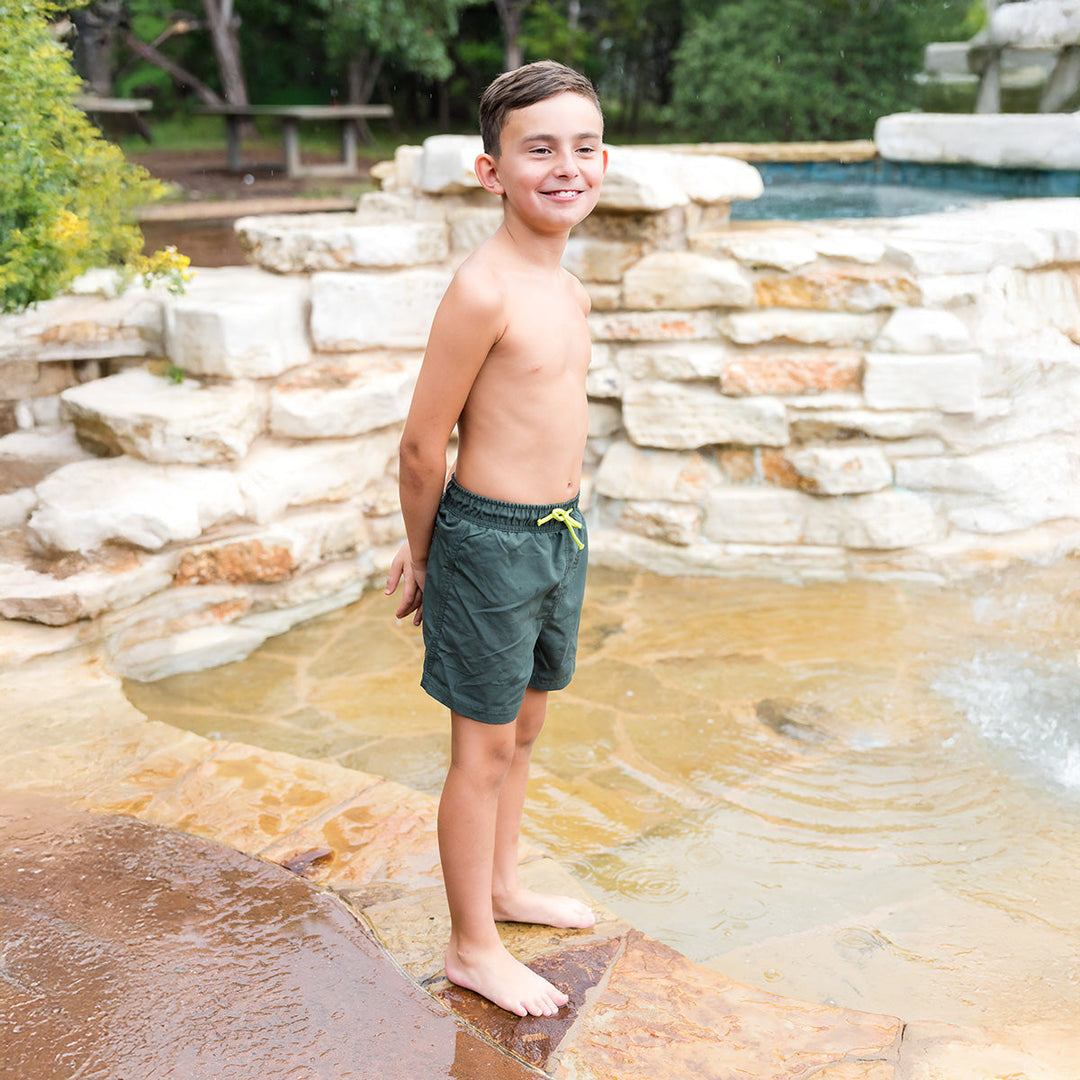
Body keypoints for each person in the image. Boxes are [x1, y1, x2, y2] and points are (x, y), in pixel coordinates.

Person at [384, 60, 608, 1018]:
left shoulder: (568, 288)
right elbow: (420, 443)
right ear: (492, 172)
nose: (567, 167)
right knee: (478, 752)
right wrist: (425, 551)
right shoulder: (484, 290)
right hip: (488, 542)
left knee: (524, 728)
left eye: (584, 147)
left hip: (558, 534)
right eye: (539, 149)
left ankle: (505, 888)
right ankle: (472, 946)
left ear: (605, 161)